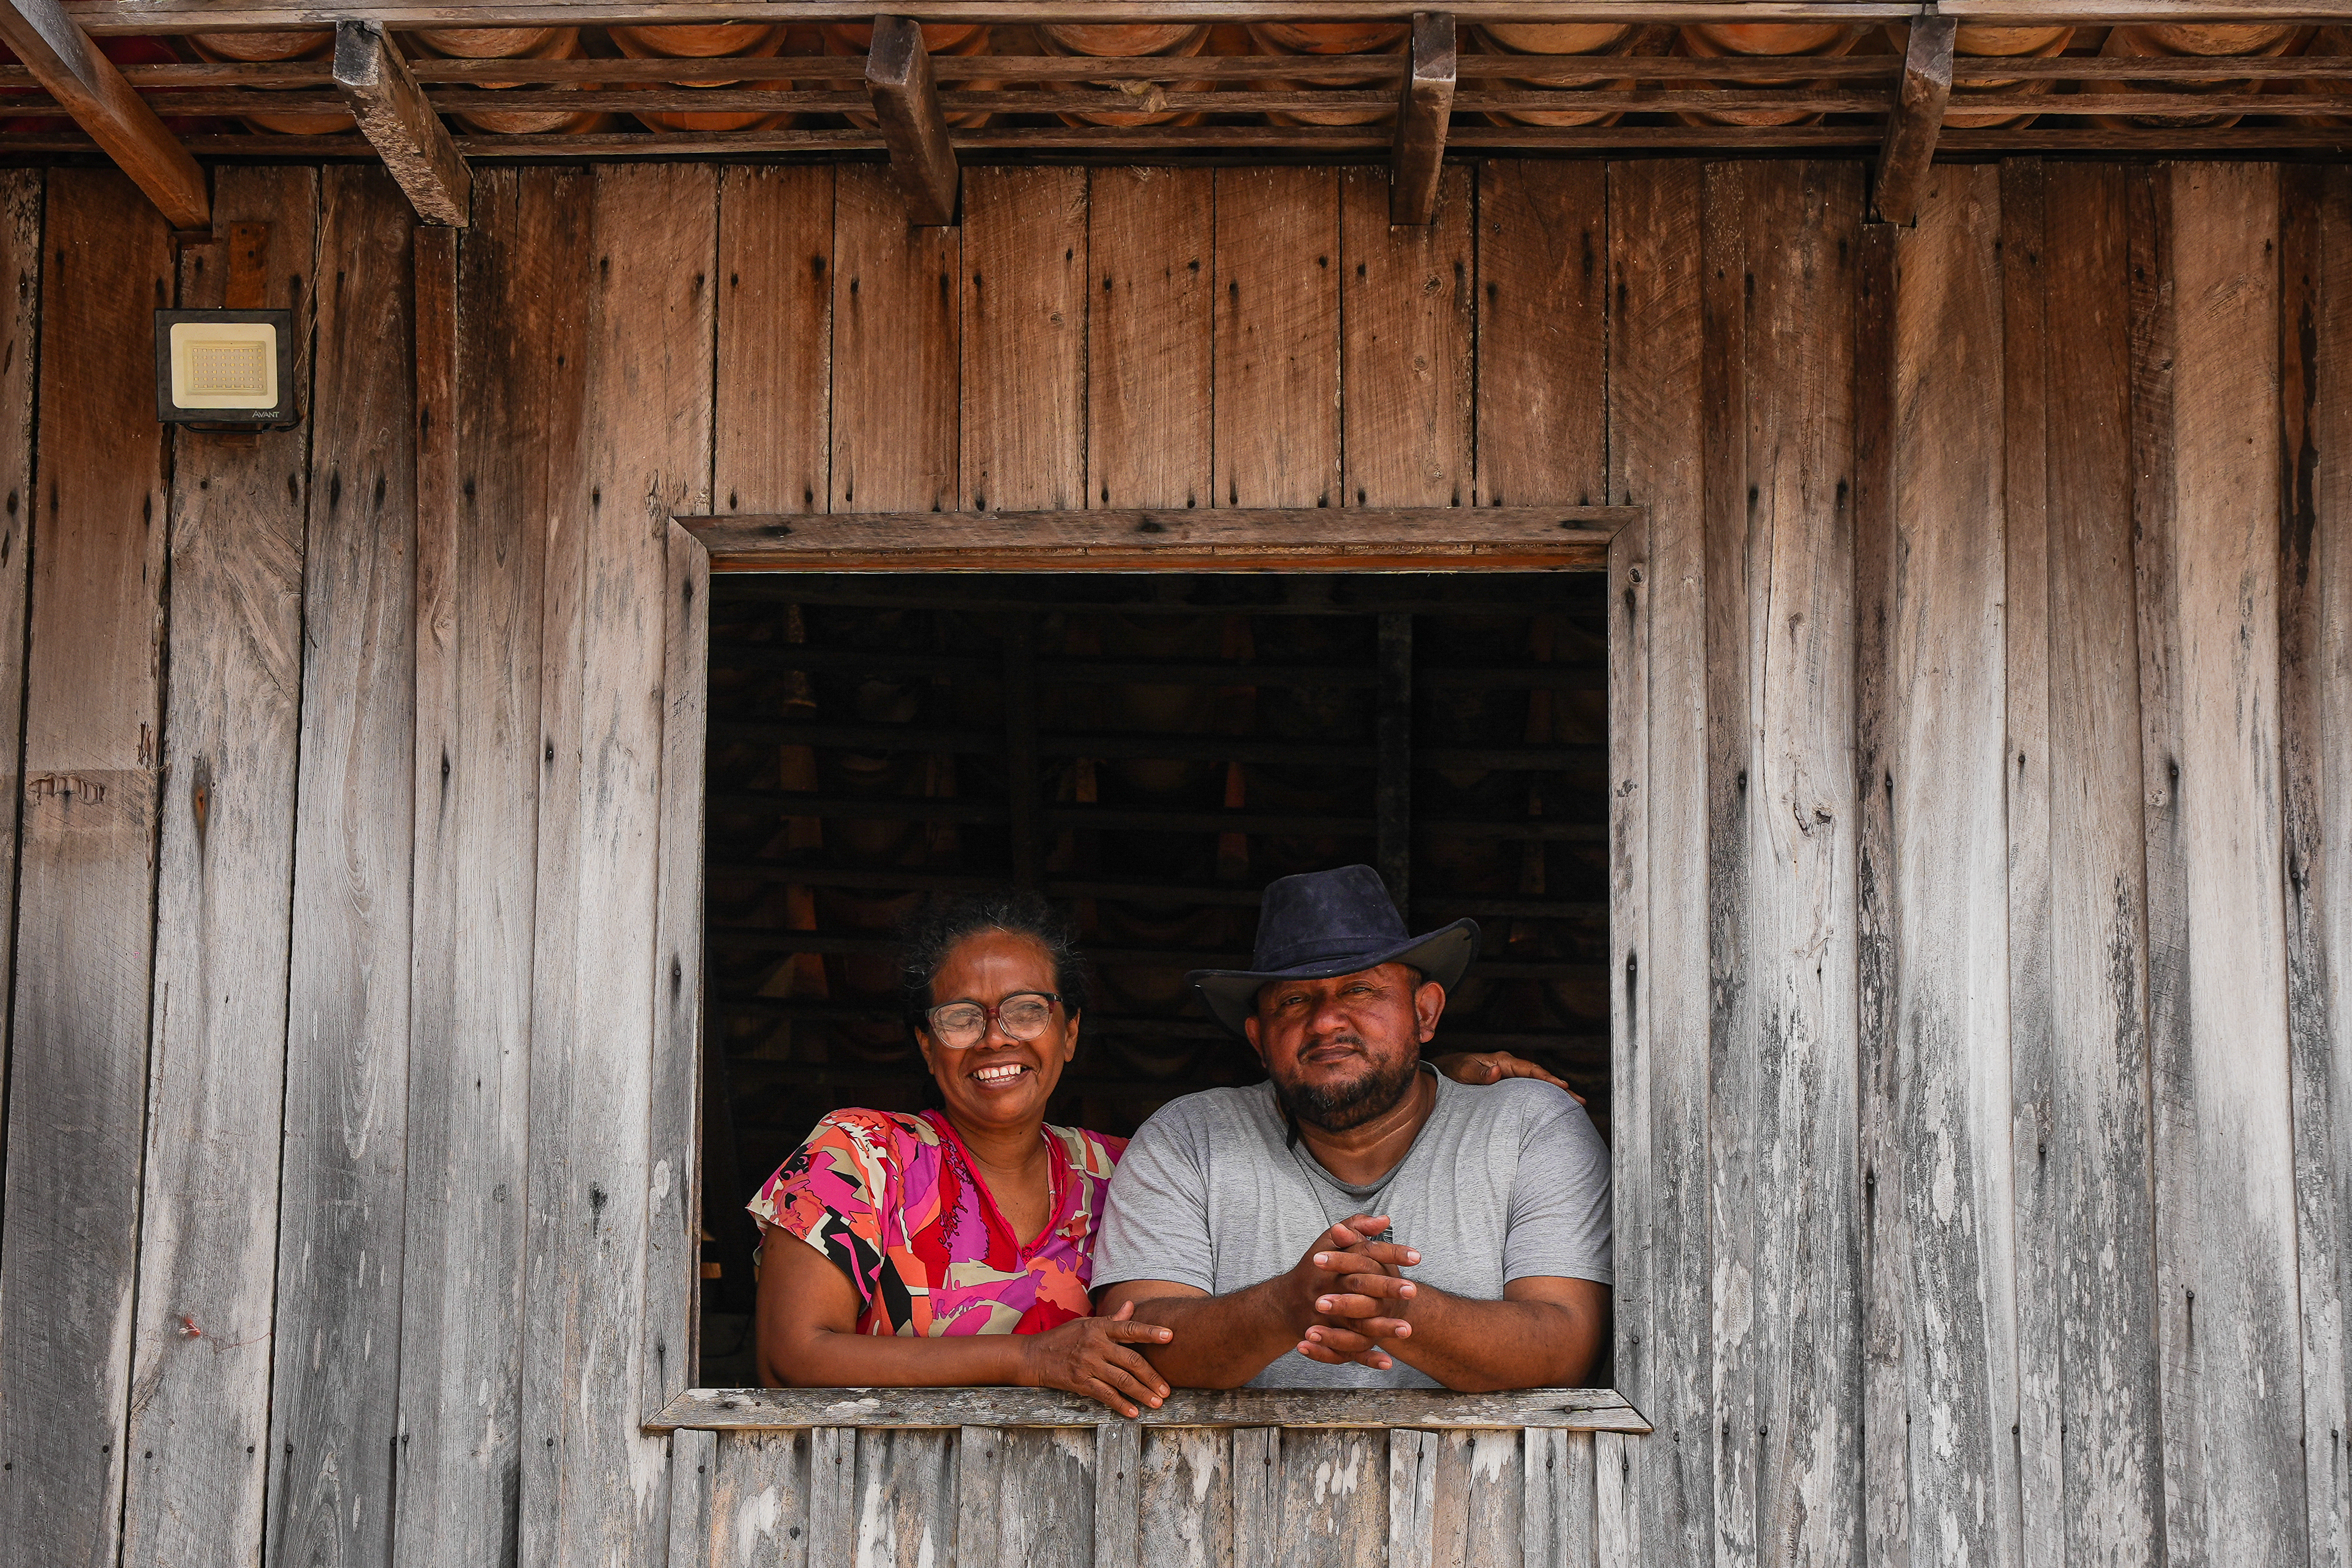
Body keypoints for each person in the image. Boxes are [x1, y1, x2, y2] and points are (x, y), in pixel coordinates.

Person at [749, 887, 1574, 1417]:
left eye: (1027, 1010)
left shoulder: (1111, 1170)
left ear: (1070, 1032)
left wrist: (1448, 1077)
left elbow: (1346, 1086)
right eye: (961, 1017)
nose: (996, 1038)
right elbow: (791, 1357)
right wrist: (1028, 1358)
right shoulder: (859, 1154)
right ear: (927, 1046)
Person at [1092, 865, 1612, 1392]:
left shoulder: (1530, 1126)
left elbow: (1569, 1346)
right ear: (1258, 1037)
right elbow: (1133, 1341)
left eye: (1360, 989)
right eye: (1293, 1000)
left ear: (1425, 1012)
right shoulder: (1187, 1138)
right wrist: (1286, 1305)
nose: (1325, 1022)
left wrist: (1393, 1306)